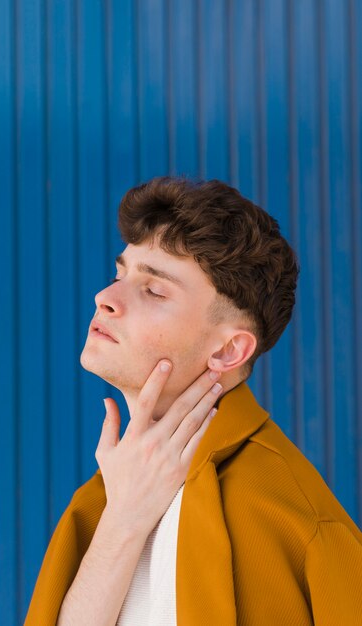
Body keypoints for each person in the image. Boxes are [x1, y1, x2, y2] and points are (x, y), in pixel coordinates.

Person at [24, 177, 362, 626]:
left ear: (227, 351)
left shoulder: (299, 523)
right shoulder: (105, 501)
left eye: (154, 290)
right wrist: (123, 521)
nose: (104, 298)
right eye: (119, 275)